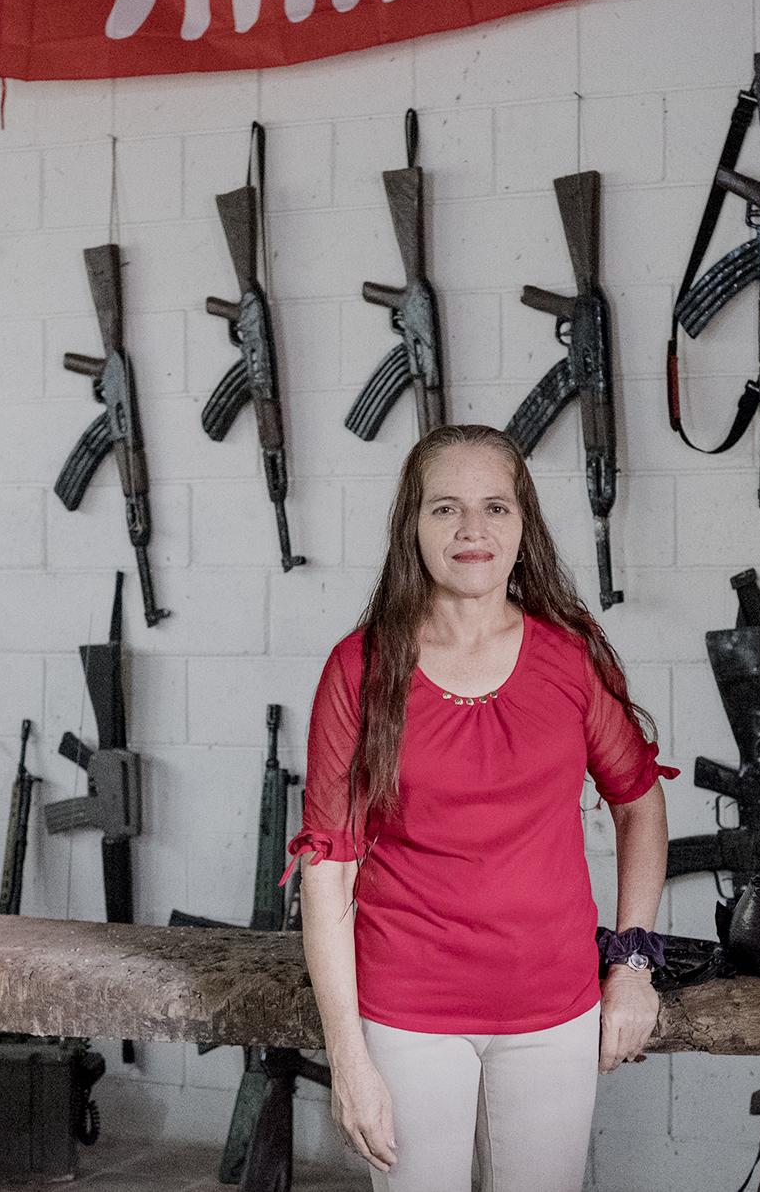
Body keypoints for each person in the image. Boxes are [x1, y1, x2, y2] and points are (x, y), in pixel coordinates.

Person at [285, 423, 677, 1192]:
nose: (473, 529)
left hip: (552, 1008)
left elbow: (639, 801)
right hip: (408, 1011)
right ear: (413, 526)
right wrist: (348, 1055)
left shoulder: (571, 654)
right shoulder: (359, 668)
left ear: (524, 525)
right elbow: (328, 871)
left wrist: (633, 965)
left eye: (496, 507)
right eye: (446, 509)